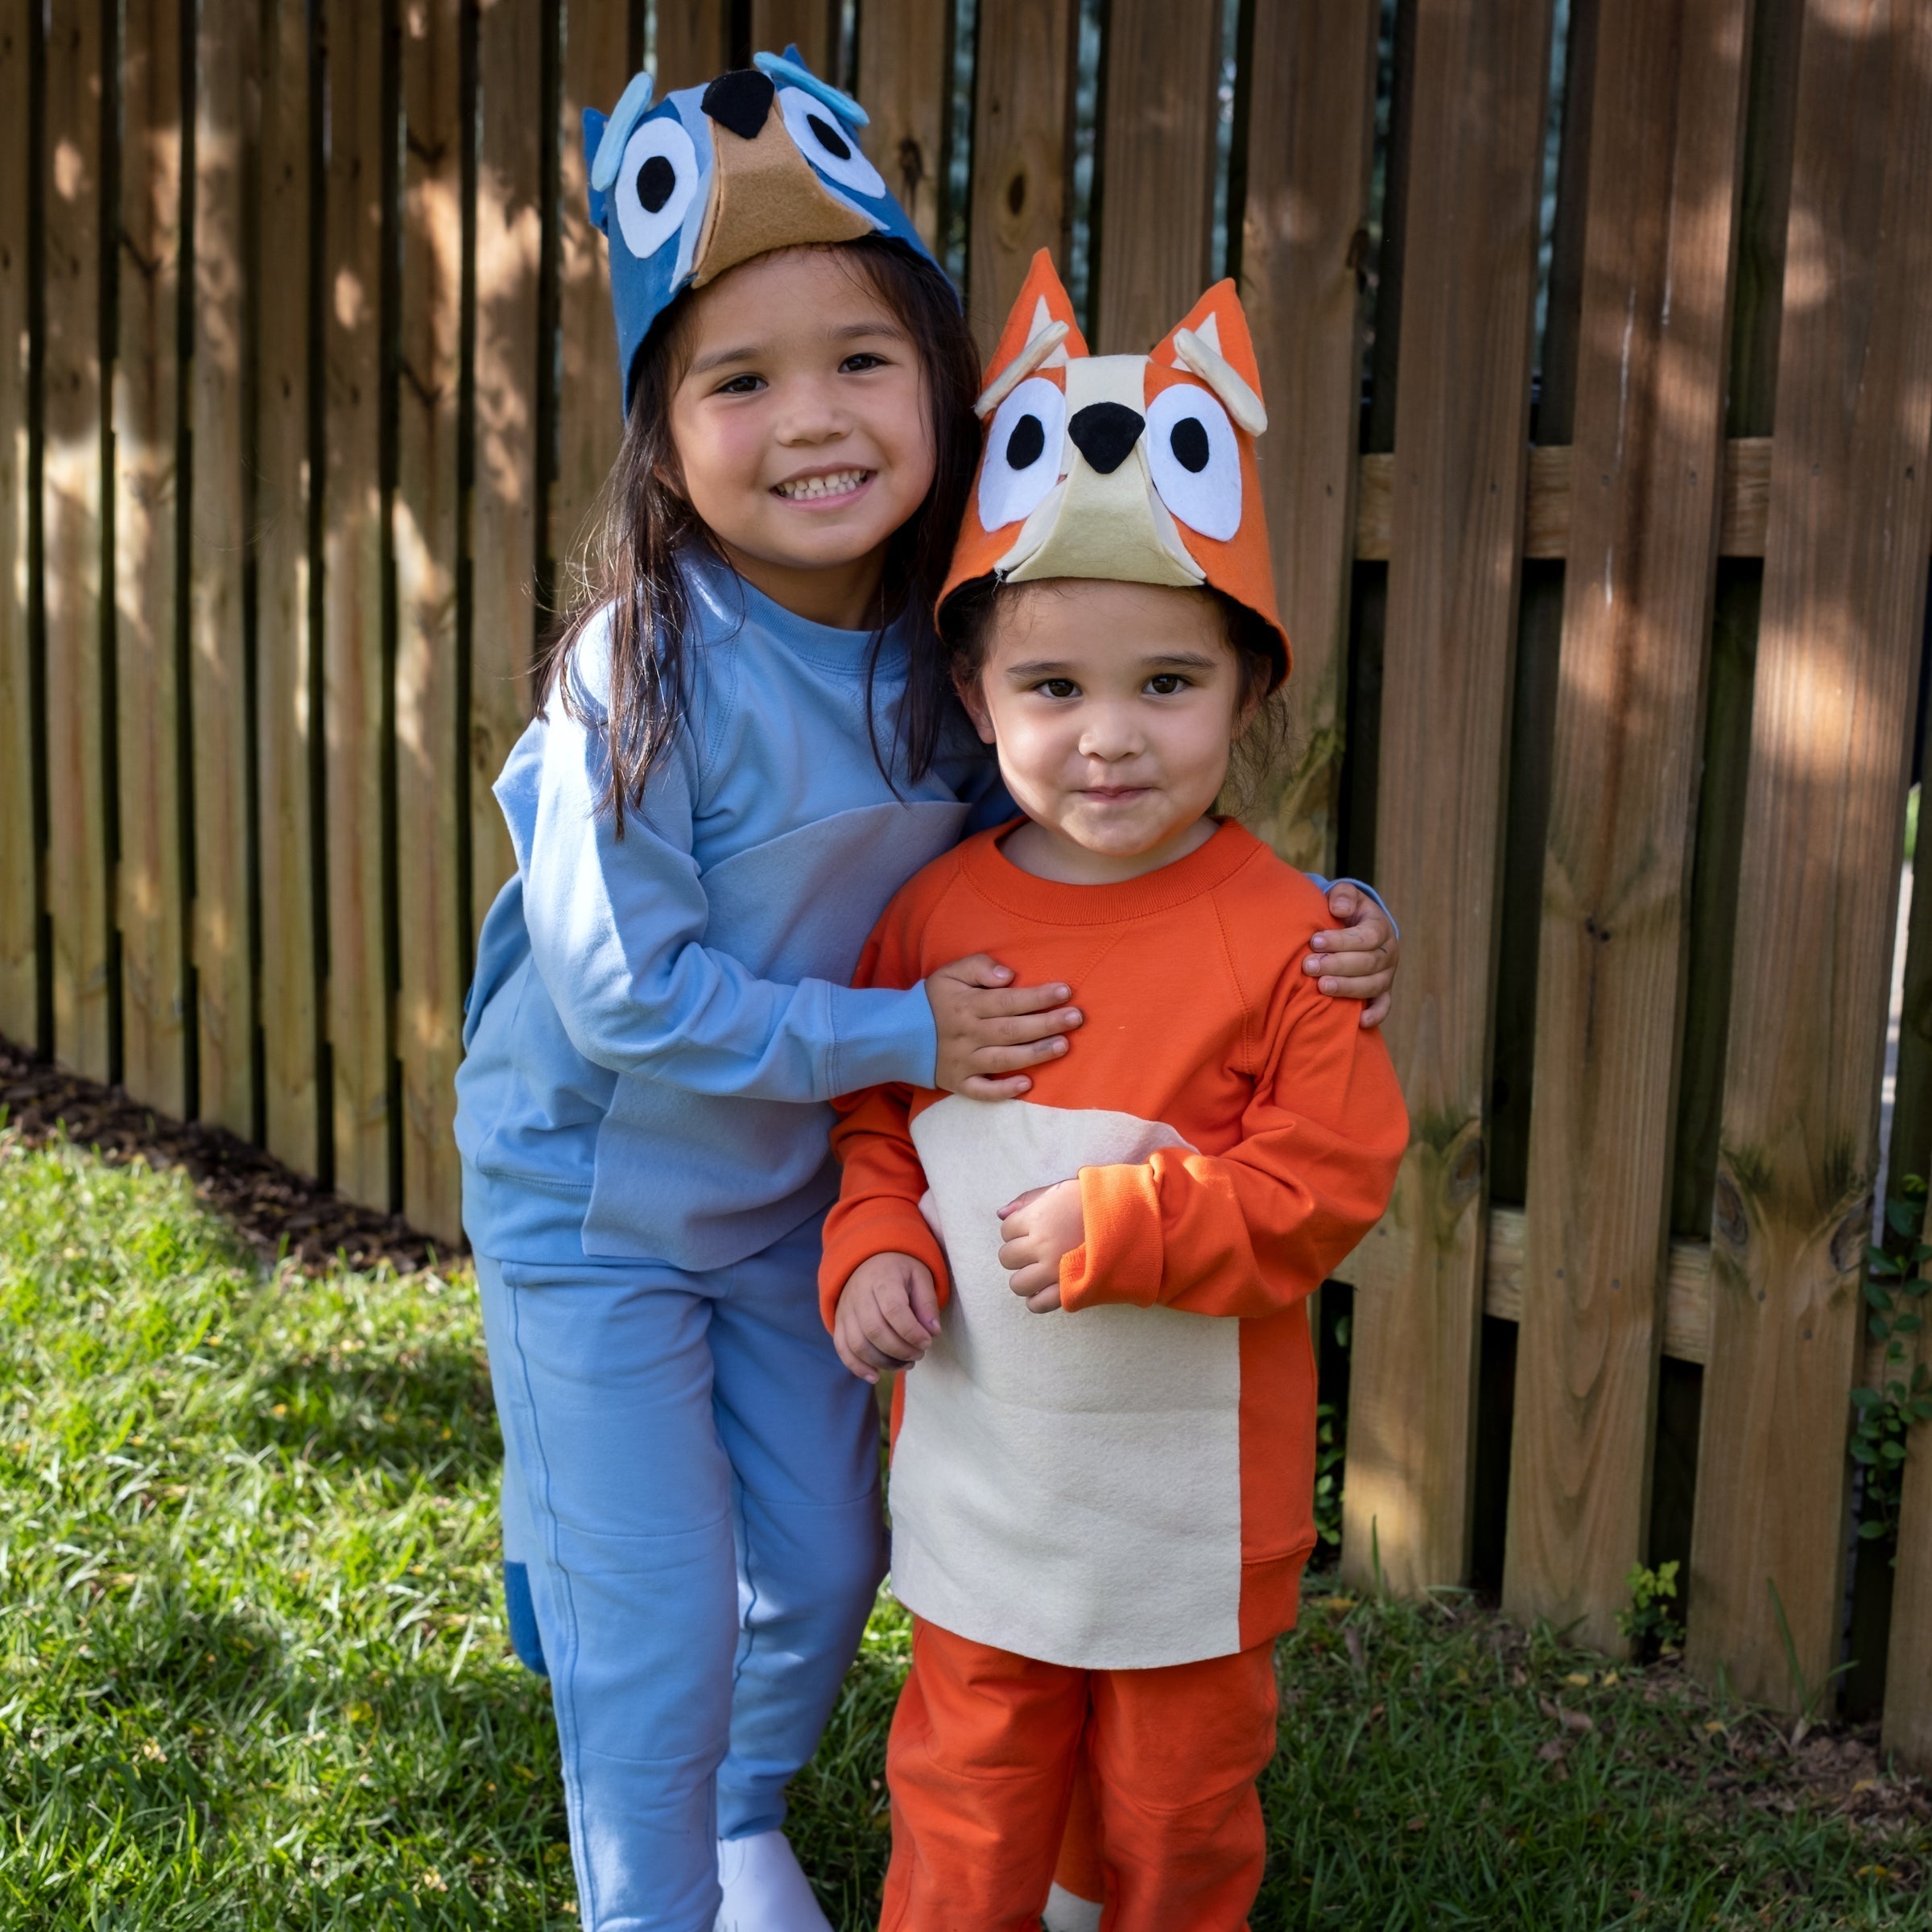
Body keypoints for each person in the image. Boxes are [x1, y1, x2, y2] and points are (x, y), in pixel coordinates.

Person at [454, 52, 1401, 1932]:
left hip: (802, 1194)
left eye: (863, 363)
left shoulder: (956, 647)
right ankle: (648, 1888)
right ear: (661, 426)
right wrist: (902, 1039)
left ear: (943, 389)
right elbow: (629, 993)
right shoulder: (629, 676)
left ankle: (736, 1820)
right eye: (741, 380)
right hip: (601, 1212)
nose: (813, 419)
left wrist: (1323, 918)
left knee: (817, 1563)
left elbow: (1095, 850)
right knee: (654, 1619)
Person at [820, 254, 1409, 1932]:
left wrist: (1130, 1218)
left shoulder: (1293, 938)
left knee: (1173, 1806)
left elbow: (1328, 1176)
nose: (1109, 739)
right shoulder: (931, 917)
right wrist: (869, 1244)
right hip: (984, 1478)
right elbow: (875, 1117)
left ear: (1249, 691)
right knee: (969, 1775)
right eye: (1053, 688)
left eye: (1169, 684)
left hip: (1188, 1517)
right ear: (974, 694)